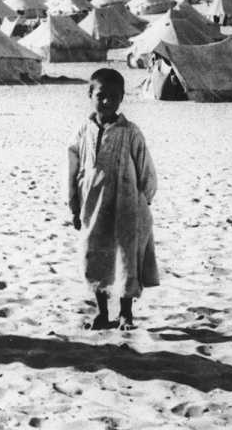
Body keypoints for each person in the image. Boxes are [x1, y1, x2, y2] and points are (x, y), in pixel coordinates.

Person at [66, 68, 158, 331]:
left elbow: (146, 170)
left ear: (122, 99)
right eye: (101, 95)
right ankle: (102, 312)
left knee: (126, 258)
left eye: (113, 97)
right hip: (92, 208)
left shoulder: (130, 132)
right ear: (90, 94)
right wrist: (73, 204)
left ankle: (126, 314)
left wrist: (143, 202)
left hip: (126, 208)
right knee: (95, 257)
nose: (106, 102)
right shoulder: (83, 131)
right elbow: (71, 168)